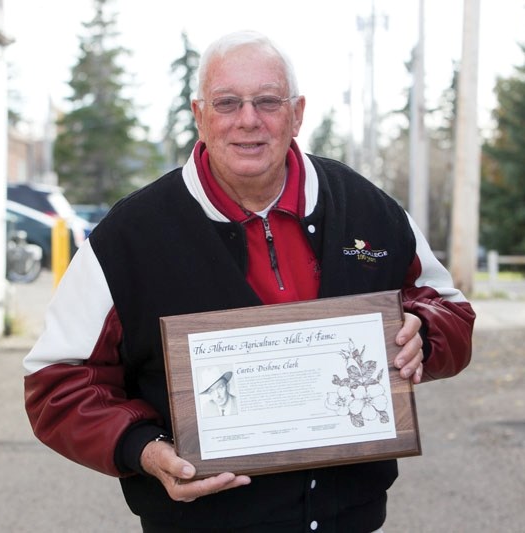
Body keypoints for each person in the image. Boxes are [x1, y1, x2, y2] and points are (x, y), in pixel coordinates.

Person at [24, 30, 475, 533]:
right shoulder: (129, 238)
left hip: (350, 520)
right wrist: (145, 450)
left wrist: (423, 332)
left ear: (298, 113)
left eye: (267, 101)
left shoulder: (367, 209)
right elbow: (56, 383)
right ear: (199, 115)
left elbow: (450, 312)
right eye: (227, 103)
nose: (248, 120)